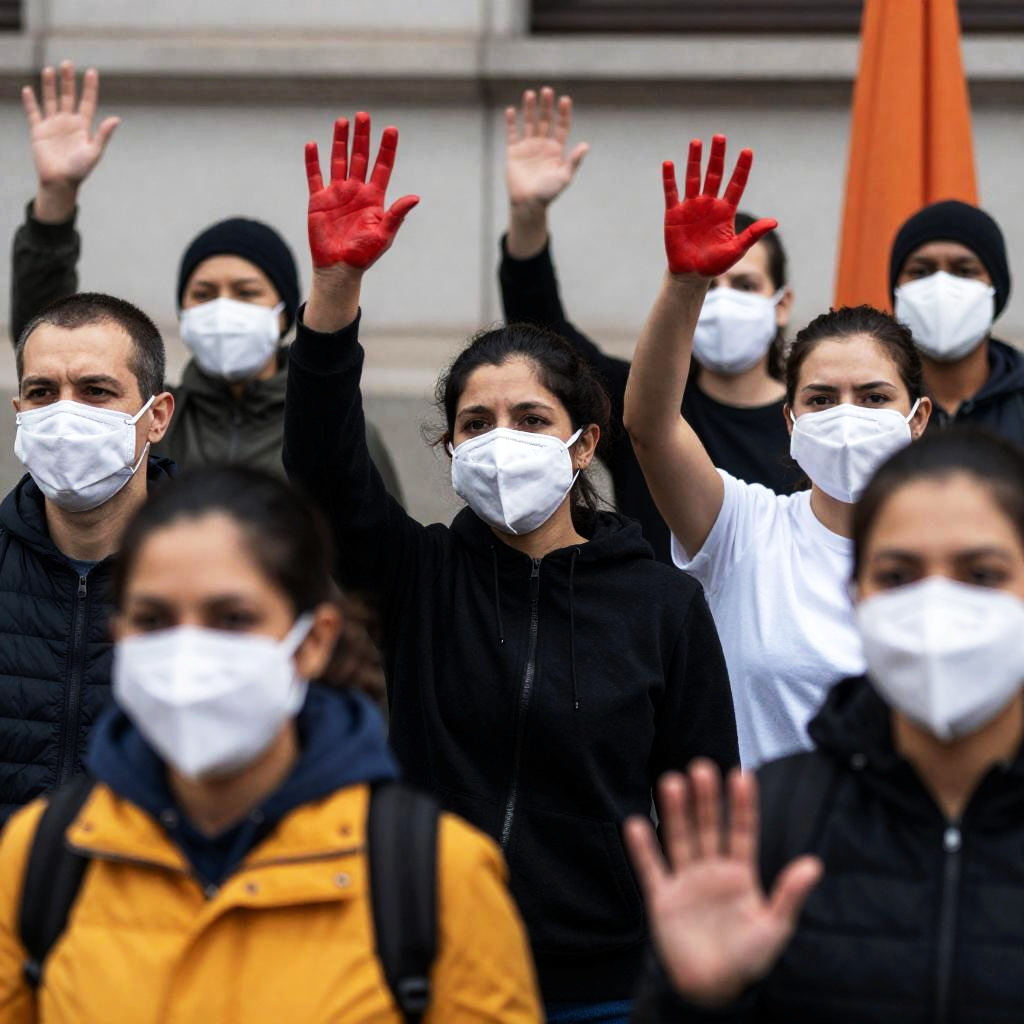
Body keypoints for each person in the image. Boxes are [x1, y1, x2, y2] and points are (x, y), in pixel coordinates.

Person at [283, 112, 739, 1021]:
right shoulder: (417, 576)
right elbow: (323, 464)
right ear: (450, 449)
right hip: (429, 964)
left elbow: (707, 808)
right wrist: (335, 291)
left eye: (530, 420)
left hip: (607, 985)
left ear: (584, 445)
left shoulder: (661, 604)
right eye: (476, 423)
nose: (502, 440)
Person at [0, 465, 542, 1023]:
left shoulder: (436, 877)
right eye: (154, 619)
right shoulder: (42, 857)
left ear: (313, 642)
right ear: (120, 636)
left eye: (233, 618)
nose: (189, 651)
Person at [627, 427, 1024, 1023]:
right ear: (855, 595)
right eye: (898, 576)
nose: (937, 605)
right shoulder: (774, 819)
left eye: (982, 574)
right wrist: (702, 1000)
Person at [623, 135, 932, 767]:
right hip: (763, 830)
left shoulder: (966, 555)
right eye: (821, 398)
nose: (846, 414)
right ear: (790, 421)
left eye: (874, 397)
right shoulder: (745, 529)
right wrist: (685, 286)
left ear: (918, 417)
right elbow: (651, 427)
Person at [10, 60, 402, 493]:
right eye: (204, 292)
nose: (223, 306)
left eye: (246, 292)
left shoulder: (330, 433)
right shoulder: (153, 422)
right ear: (183, 311)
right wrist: (56, 197)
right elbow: (50, 332)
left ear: (282, 312)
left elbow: (374, 532)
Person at [500, 88, 798, 564]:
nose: (722, 300)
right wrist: (528, 214)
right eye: (707, 285)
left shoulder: (814, 420)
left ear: (782, 304)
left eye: (745, 285)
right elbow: (543, 334)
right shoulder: (641, 404)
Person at [0, 291, 174, 822]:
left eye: (96, 391)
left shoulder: (215, 584)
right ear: (19, 412)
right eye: (42, 393)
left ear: (156, 417)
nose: (65, 414)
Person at [891, 199, 1024, 442]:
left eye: (965, 271)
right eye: (921, 271)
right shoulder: (868, 402)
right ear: (897, 290)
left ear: (995, 288)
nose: (941, 287)